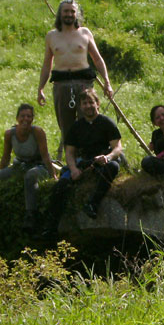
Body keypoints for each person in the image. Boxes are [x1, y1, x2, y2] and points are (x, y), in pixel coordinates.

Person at [42, 89, 123, 235]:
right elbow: (70, 152)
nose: (88, 106)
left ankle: (93, 204)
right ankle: (50, 226)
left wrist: (108, 157)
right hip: (84, 162)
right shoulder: (77, 127)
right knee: (61, 185)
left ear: (97, 104)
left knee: (113, 166)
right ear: (80, 106)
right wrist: (73, 169)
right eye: (84, 103)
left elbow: (117, 148)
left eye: (91, 102)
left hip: (103, 161)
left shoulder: (106, 123)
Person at [37, 0, 115, 147]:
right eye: (66, 11)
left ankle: (90, 155)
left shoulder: (85, 33)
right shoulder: (51, 36)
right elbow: (47, 65)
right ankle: (72, 161)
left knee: (89, 120)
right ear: (60, 14)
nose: (69, 14)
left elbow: (97, 59)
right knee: (66, 126)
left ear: (76, 14)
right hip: (62, 86)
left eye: (72, 11)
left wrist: (107, 82)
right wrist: (40, 88)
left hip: (84, 84)